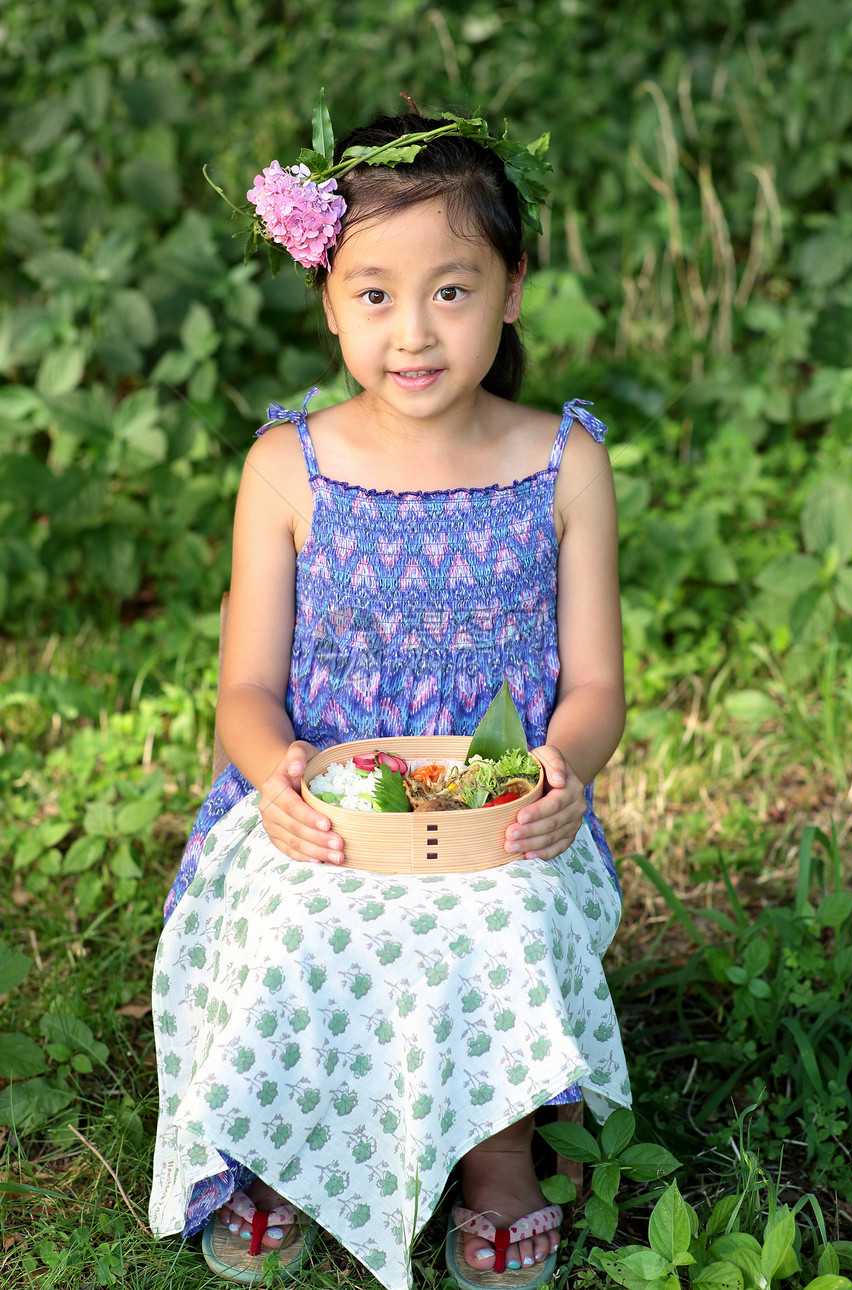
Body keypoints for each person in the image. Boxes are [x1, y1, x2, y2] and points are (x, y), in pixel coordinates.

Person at [149, 99, 630, 1290]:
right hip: (325, 801)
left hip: (497, 799)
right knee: (292, 916)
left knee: (504, 910)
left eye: (451, 290)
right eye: (373, 294)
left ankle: (495, 1160)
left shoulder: (561, 462)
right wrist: (277, 777)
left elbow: (598, 684)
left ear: (512, 288)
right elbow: (248, 692)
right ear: (327, 299)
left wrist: (560, 768)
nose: (411, 333)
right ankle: (278, 1148)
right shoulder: (288, 466)